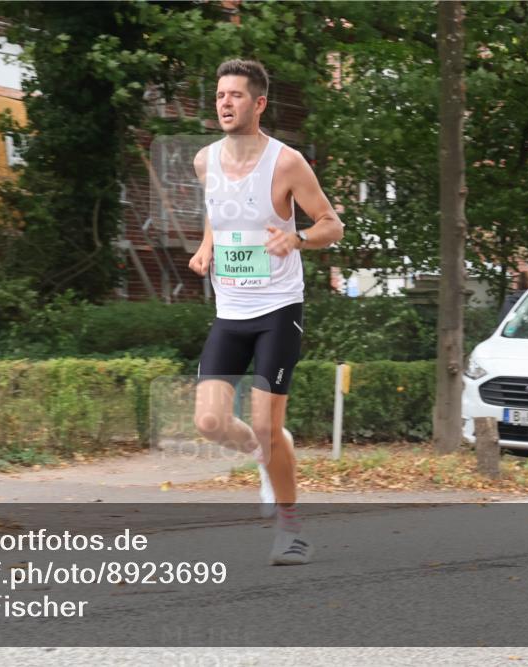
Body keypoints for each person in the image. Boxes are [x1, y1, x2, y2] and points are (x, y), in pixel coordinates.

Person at [189, 59, 344, 565]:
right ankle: (265, 452)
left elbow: (331, 224)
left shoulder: (286, 163)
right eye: (219, 95)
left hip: (278, 308)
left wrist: (296, 239)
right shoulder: (204, 161)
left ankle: (291, 529)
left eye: (235, 95)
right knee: (210, 422)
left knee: (263, 422)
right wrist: (207, 246)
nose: (225, 103)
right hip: (230, 311)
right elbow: (220, 210)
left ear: (258, 104)